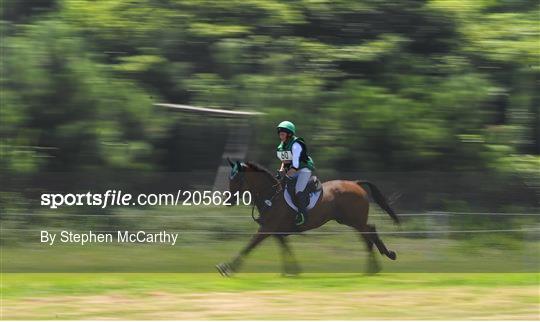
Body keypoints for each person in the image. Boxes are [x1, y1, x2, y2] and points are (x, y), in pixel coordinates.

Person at [276, 121, 315, 225]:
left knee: (298, 190)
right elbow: (285, 162)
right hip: (293, 170)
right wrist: (281, 172)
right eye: (280, 132)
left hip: (303, 170)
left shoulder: (296, 145)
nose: (280, 134)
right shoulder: (282, 146)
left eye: (283, 132)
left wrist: (286, 176)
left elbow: (295, 166)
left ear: (289, 134)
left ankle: (304, 216)